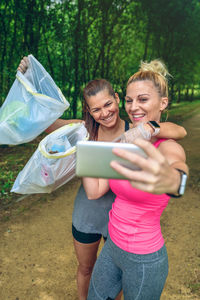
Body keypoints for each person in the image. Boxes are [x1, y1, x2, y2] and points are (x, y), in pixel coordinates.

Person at [18, 57, 187, 300]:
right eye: (96, 109)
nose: (105, 113)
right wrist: (30, 81)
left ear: (117, 100)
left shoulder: (135, 130)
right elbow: (49, 124)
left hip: (118, 222)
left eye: (109, 104)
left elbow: (177, 134)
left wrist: (173, 179)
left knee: (113, 283)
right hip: (93, 214)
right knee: (88, 270)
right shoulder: (85, 130)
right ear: (89, 111)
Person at [82, 59, 189, 300]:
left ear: (163, 103)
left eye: (142, 99)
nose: (133, 107)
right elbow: (95, 190)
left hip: (144, 259)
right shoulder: (126, 142)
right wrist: (82, 155)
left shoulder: (166, 146)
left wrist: (174, 182)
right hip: (111, 249)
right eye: (129, 100)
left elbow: (177, 168)